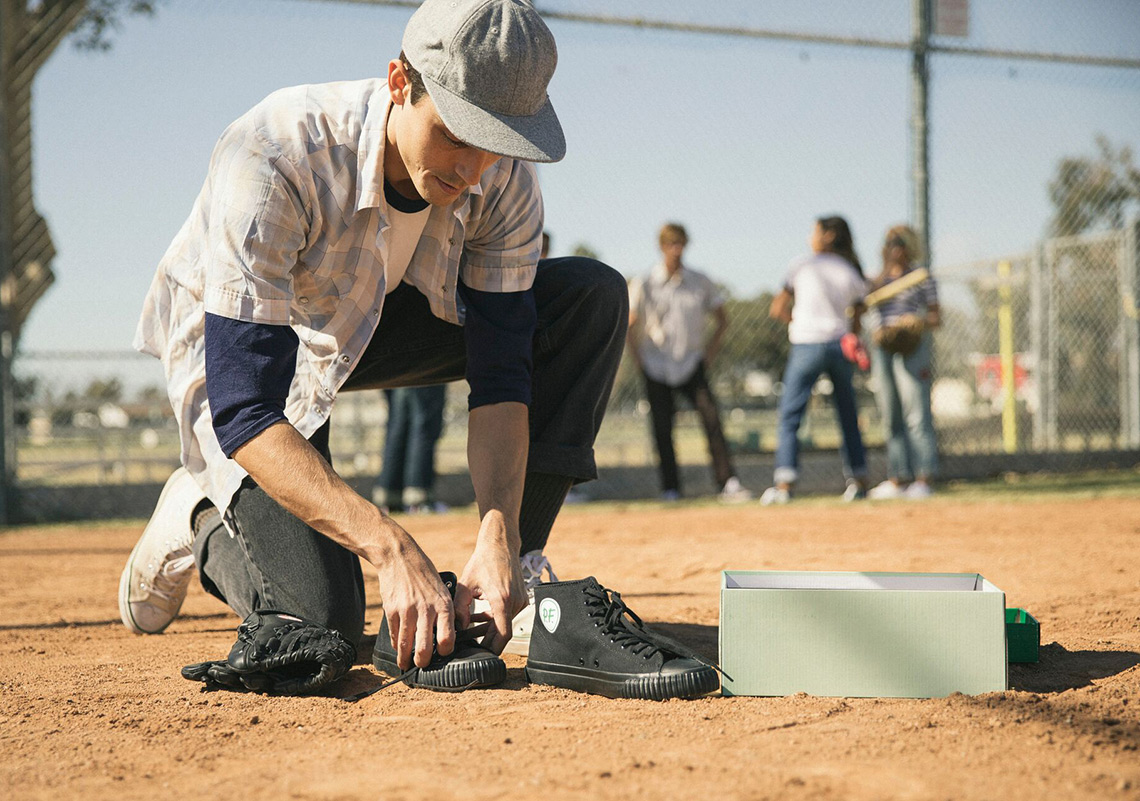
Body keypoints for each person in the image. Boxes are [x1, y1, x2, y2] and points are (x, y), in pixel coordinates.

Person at [119, 0, 628, 682]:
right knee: (321, 624)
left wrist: (497, 527)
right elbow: (243, 407)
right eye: (456, 134)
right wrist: (387, 545)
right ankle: (199, 512)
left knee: (588, 298)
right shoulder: (274, 154)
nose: (473, 169)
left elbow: (504, 374)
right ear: (399, 83)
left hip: (380, 320)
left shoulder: (500, 176)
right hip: (258, 349)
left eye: (496, 142)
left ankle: (506, 574)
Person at [627, 223, 751, 503]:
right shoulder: (644, 282)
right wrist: (639, 361)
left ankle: (727, 482)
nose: (677, 250)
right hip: (656, 365)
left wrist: (709, 354)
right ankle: (671, 488)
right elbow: (629, 325)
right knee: (662, 428)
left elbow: (722, 319)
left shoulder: (699, 280)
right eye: (671, 244)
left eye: (681, 244)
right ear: (661, 247)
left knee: (711, 420)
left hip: (691, 363)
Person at [761, 216, 870, 505]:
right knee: (848, 415)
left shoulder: (801, 265)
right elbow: (859, 313)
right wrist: (851, 336)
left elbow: (778, 308)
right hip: (839, 346)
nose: (811, 236)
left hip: (806, 345)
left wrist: (795, 322)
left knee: (790, 416)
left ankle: (784, 484)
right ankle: (858, 480)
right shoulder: (850, 269)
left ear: (829, 235)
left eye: (815, 231)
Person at [866, 224, 940, 500]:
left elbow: (936, 317)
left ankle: (924, 477)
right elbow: (864, 304)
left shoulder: (921, 277)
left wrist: (917, 321)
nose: (893, 247)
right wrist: (884, 271)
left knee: (917, 412)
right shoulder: (878, 280)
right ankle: (898, 478)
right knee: (890, 414)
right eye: (888, 242)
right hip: (883, 346)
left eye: (898, 242)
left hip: (912, 346)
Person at [372, 385, 449, 514]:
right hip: (424, 368)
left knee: (398, 422)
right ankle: (418, 497)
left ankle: (390, 495)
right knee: (424, 423)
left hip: (392, 369)